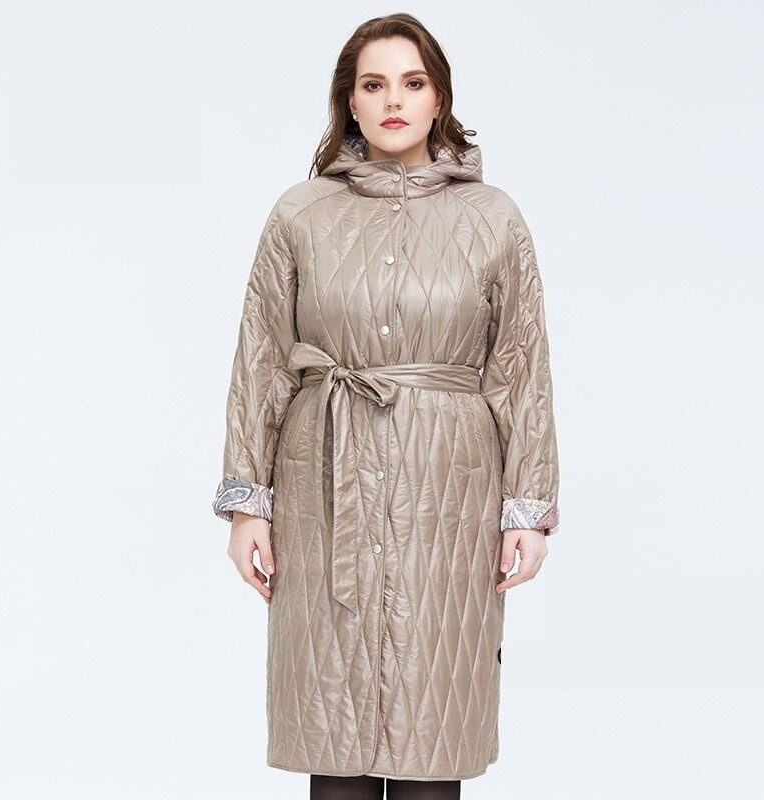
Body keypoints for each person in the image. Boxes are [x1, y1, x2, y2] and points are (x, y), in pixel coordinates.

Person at [212, 12, 560, 800]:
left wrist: (527, 511)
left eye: (412, 82)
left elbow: (521, 367)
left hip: (448, 493)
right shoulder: (300, 213)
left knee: (432, 728)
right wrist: (247, 504)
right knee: (332, 739)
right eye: (374, 84)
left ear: (439, 99)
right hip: (323, 484)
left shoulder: (493, 217)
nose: (393, 100)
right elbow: (261, 359)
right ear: (351, 101)